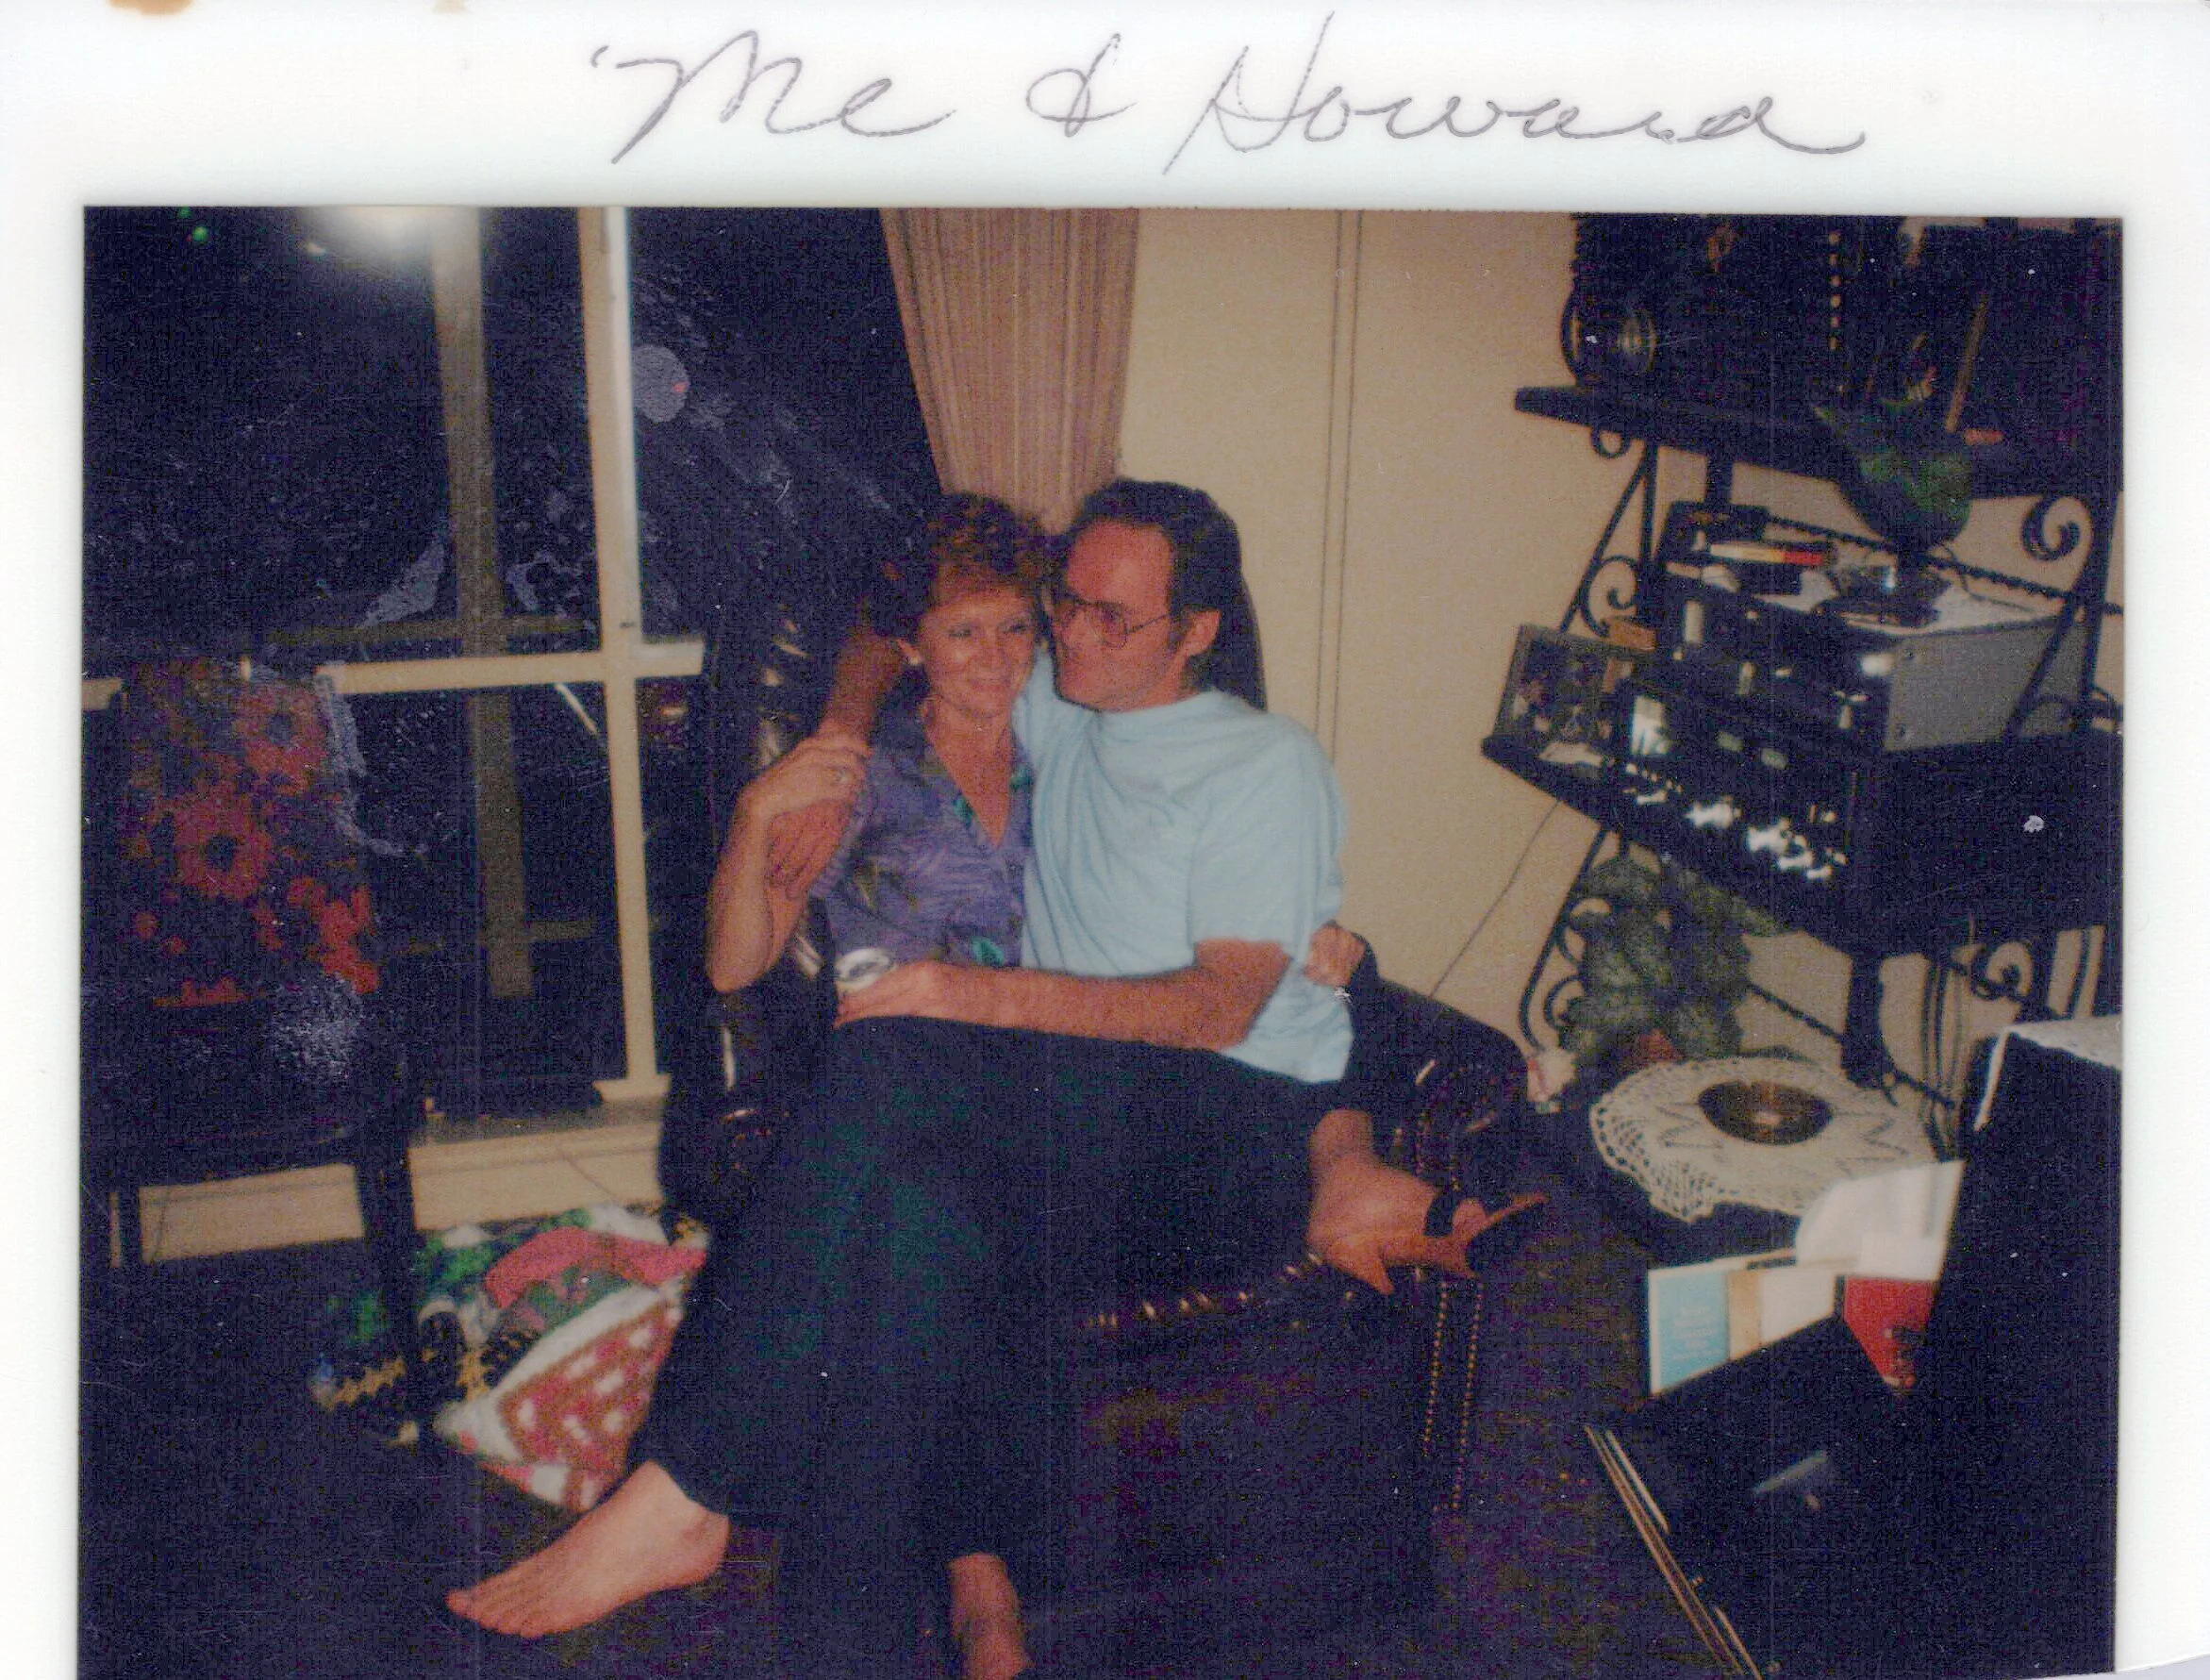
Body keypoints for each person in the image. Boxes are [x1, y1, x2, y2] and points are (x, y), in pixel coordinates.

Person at [447, 481, 1531, 1677]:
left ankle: (691, 1481)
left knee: (897, 1047)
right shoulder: (1067, 704)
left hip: (1226, 1128)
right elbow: (895, 630)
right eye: (1064, 606)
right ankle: (855, 1642)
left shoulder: (1261, 762)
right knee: (919, 1219)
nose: (1060, 639)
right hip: (1078, 1113)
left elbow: (1217, 1010)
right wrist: (837, 738)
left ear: (1197, 632)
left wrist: (976, 993)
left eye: (1105, 618)